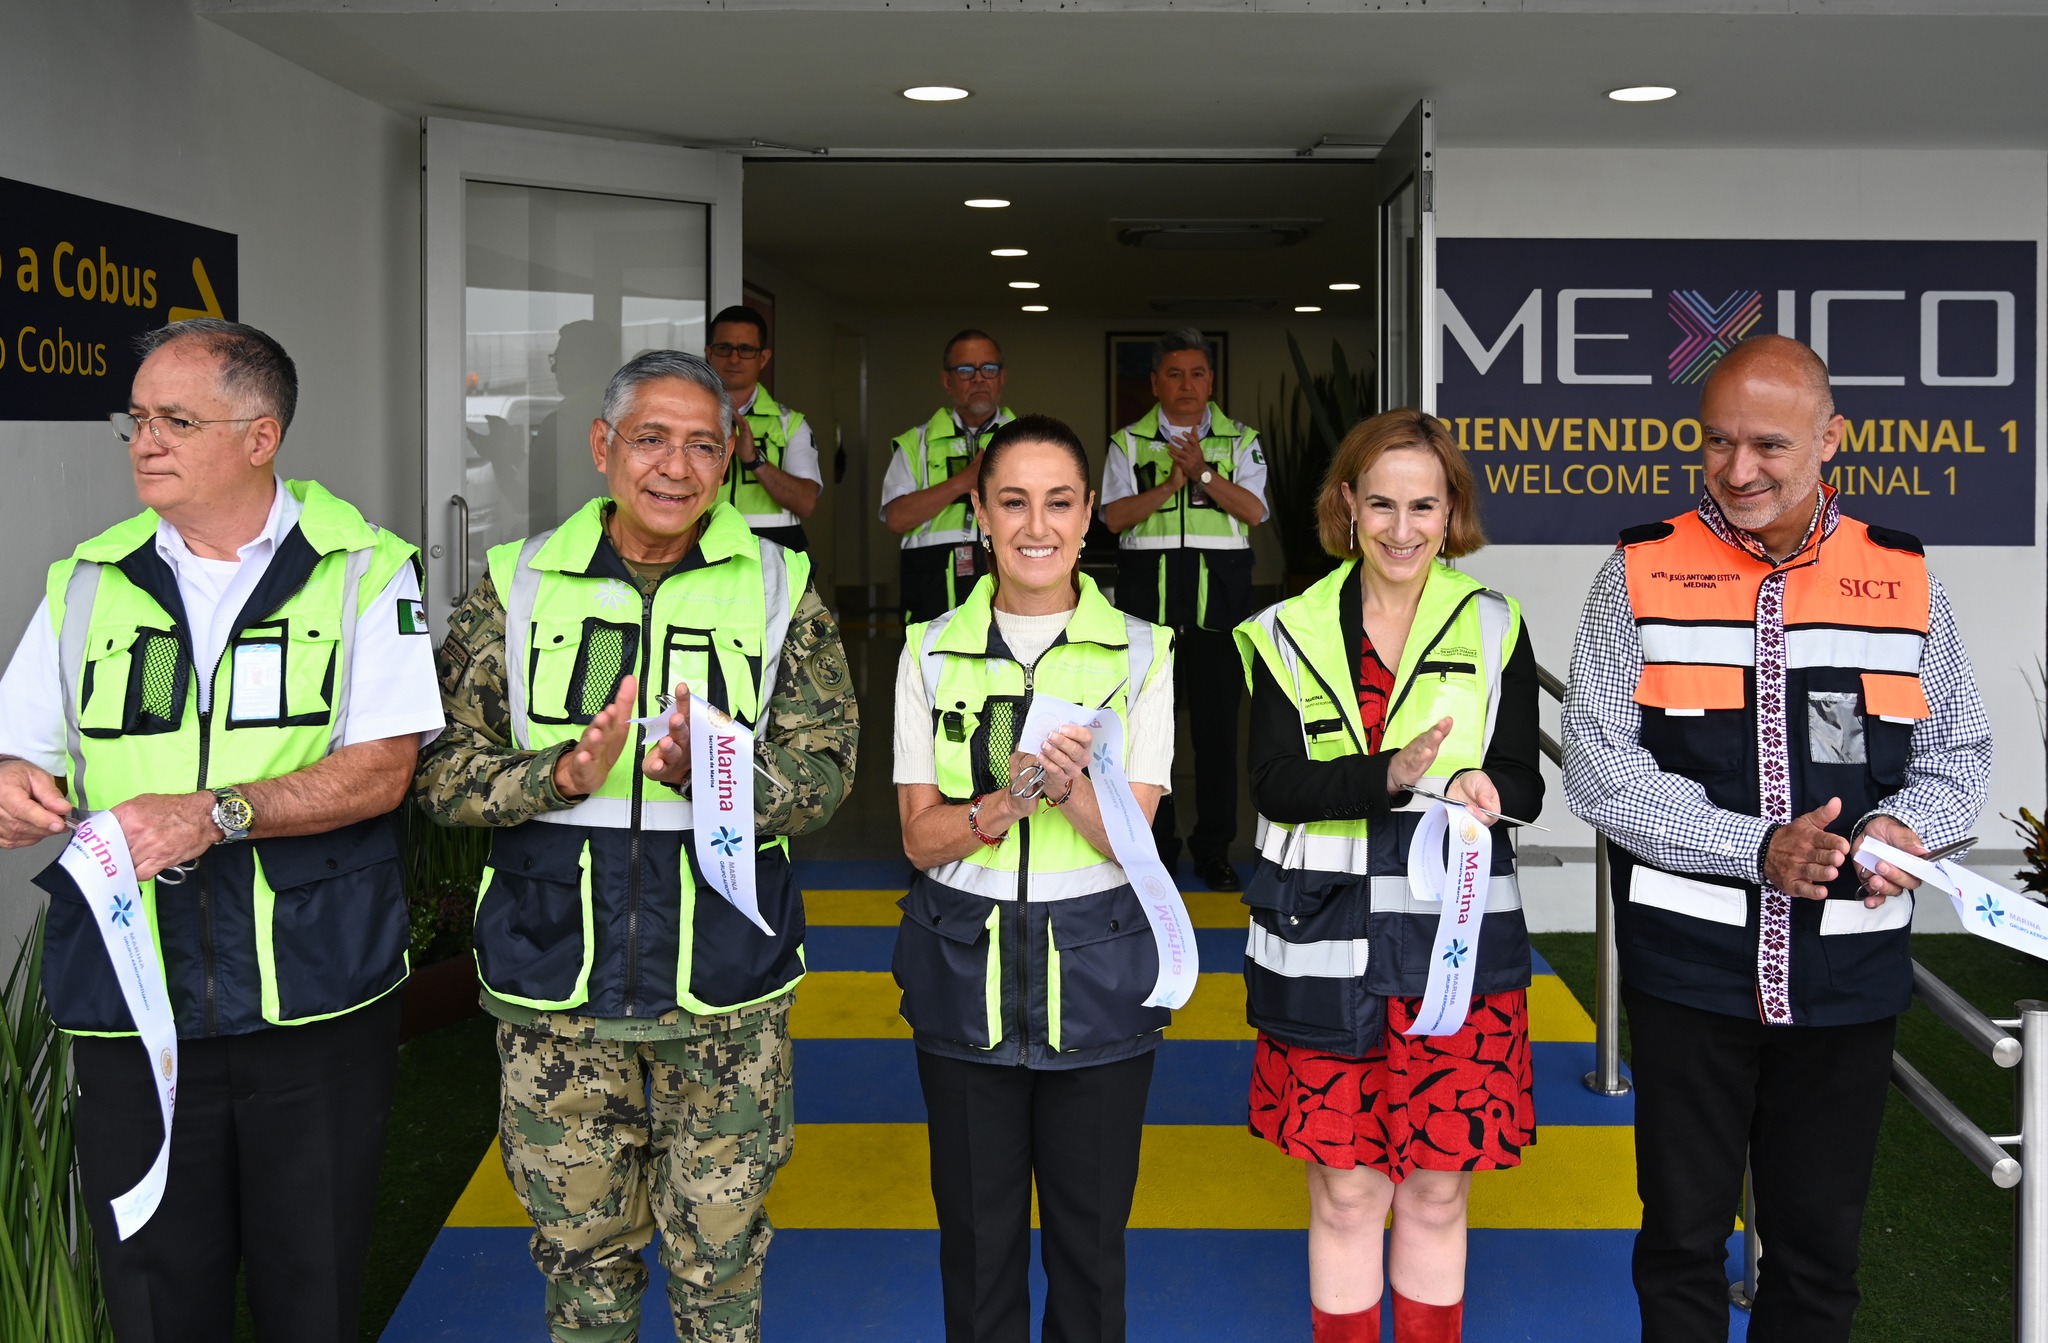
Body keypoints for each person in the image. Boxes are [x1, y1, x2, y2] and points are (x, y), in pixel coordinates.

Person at [0, 319, 444, 1342]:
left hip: (312, 991)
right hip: (131, 998)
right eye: (137, 420)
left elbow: (383, 770)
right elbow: (20, 755)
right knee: (154, 1290)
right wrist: (15, 788)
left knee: (310, 1284)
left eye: (176, 420)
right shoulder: (86, 581)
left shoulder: (364, 570)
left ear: (260, 437)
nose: (146, 441)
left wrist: (215, 813)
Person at [413, 349, 859, 1343]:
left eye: (702, 444)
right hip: (556, 985)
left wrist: (719, 775)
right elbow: (438, 766)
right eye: (651, 438)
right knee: (582, 1266)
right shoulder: (518, 581)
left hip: (725, 987)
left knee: (721, 1268)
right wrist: (558, 776)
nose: (676, 466)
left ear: (729, 459)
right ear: (602, 445)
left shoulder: (778, 584)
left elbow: (829, 768)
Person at [1561, 334, 1991, 1343]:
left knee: (1818, 1254)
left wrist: (1903, 828)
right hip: (1687, 972)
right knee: (1680, 1240)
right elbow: (1597, 764)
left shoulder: (1903, 575)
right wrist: (1755, 848)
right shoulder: (1636, 571)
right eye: (1716, 442)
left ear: (1830, 439)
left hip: (1845, 976)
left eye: (1768, 445)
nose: (1737, 469)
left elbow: (1959, 753)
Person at [1235, 409, 1542, 1343]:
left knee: (1440, 1192)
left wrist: (1492, 787)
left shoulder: (1494, 623)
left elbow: (1525, 778)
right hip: (1322, 945)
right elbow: (1273, 783)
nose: (1402, 529)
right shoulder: (1287, 630)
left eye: (1423, 506)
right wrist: (1390, 774)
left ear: (1452, 512)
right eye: (1381, 504)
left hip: (1455, 958)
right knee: (1345, 1193)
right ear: (1346, 505)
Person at [891, 414, 1177, 1342]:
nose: (1037, 525)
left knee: (1090, 1258)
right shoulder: (927, 647)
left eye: (1059, 502)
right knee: (977, 1258)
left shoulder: (1143, 650)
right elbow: (918, 840)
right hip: (962, 982)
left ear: (1090, 513)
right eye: (1013, 502)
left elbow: (1134, 842)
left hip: (1098, 986)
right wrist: (1000, 806)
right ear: (979, 513)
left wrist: (1065, 790)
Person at [1100, 327, 1268, 892]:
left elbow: (1254, 511)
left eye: (1197, 374)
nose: (1187, 384)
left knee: (1218, 737)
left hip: (1218, 612)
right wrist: (1171, 485)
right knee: (1150, 737)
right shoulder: (1127, 443)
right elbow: (1113, 517)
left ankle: (1214, 851)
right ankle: (1157, 848)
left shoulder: (1241, 440)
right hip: (1149, 614)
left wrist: (1202, 473)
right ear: (1155, 383)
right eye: (1174, 374)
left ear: (1211, 381)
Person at [880, 329, 1016, 623]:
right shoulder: (917, 442)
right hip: (932, 584)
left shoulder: (1026, 439)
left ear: (1002, 377)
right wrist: (963, 482)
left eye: (989, 368)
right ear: (947, 381)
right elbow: (896, 518)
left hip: (1008, 573)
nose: (979, 378)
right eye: (966, 370)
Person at [706, 303, 822, 551]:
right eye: (724, 348)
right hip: (703, 543)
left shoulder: (790, 423)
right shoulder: (687, 418)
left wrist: (753, 459)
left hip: (776, 552)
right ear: (709, 353)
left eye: (746, 349)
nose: (734, 358)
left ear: (764, 358)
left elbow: (806, 504)